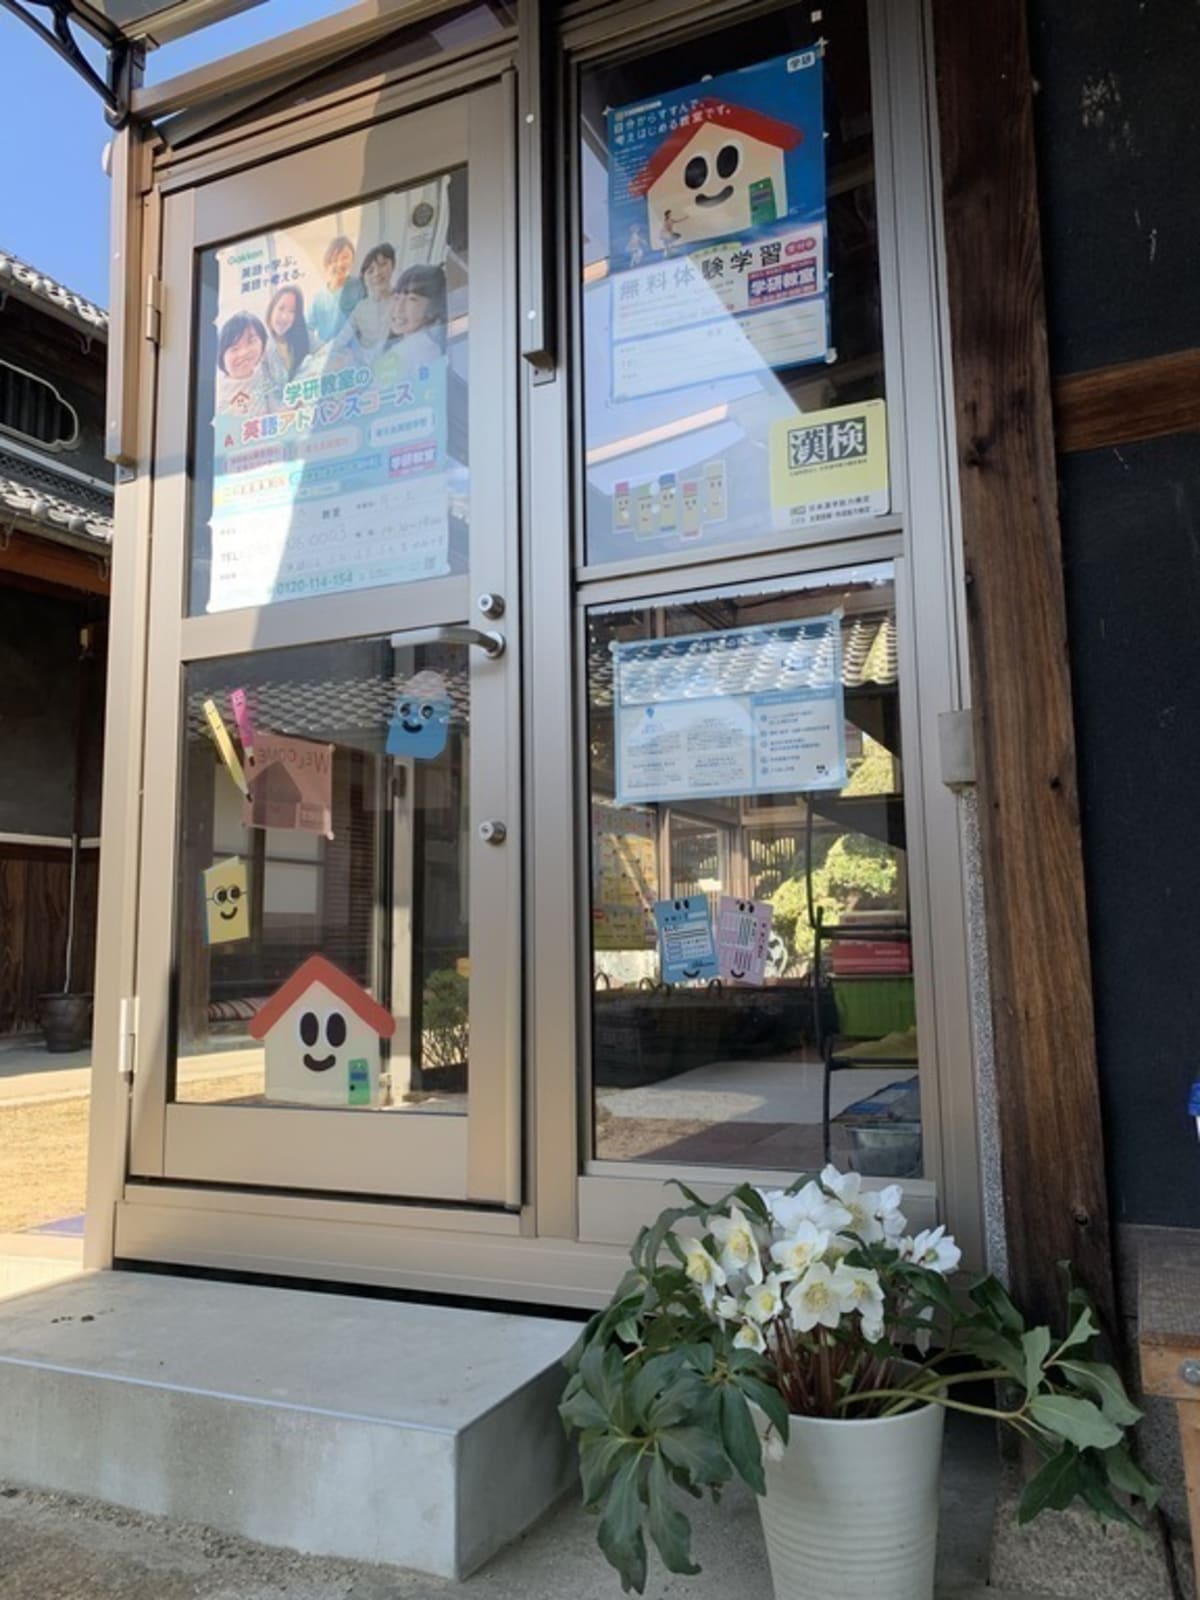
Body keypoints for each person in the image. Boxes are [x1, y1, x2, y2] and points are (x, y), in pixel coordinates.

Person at [372, 266, 447, 386]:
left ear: (433, 308)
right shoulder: (423, 343)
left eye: (412, 299)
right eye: (397, 298)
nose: (399, 308)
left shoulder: (413, 349)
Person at [308, 235, 363, 347]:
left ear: (353, 260)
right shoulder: (319, 298)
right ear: (327, 264)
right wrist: (321, 347)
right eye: (334, 260)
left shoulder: (359, 287)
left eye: (345, 257)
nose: (340, 264)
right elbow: (308, 328)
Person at [346, 242, 398, 354]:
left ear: (393, 265)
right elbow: (343, 337)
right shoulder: (360, 308)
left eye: (383, 264)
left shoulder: (403, 301)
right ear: (364, 279)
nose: (377, 273)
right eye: (370, 271)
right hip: (365, 361)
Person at [262, 285, 312, 402]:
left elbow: (327, 350)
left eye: (292, 311)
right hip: (279, 409)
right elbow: (267, 393)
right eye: (281, 308)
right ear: (272, 308)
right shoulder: (261, 345)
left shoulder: (302, 336)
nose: (284, 317)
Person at [215, 311, 269, 416]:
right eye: (234, 348)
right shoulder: (216, 393)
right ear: (221, 356)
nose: (243, 353)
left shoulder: (266, 377)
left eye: (251, 341)